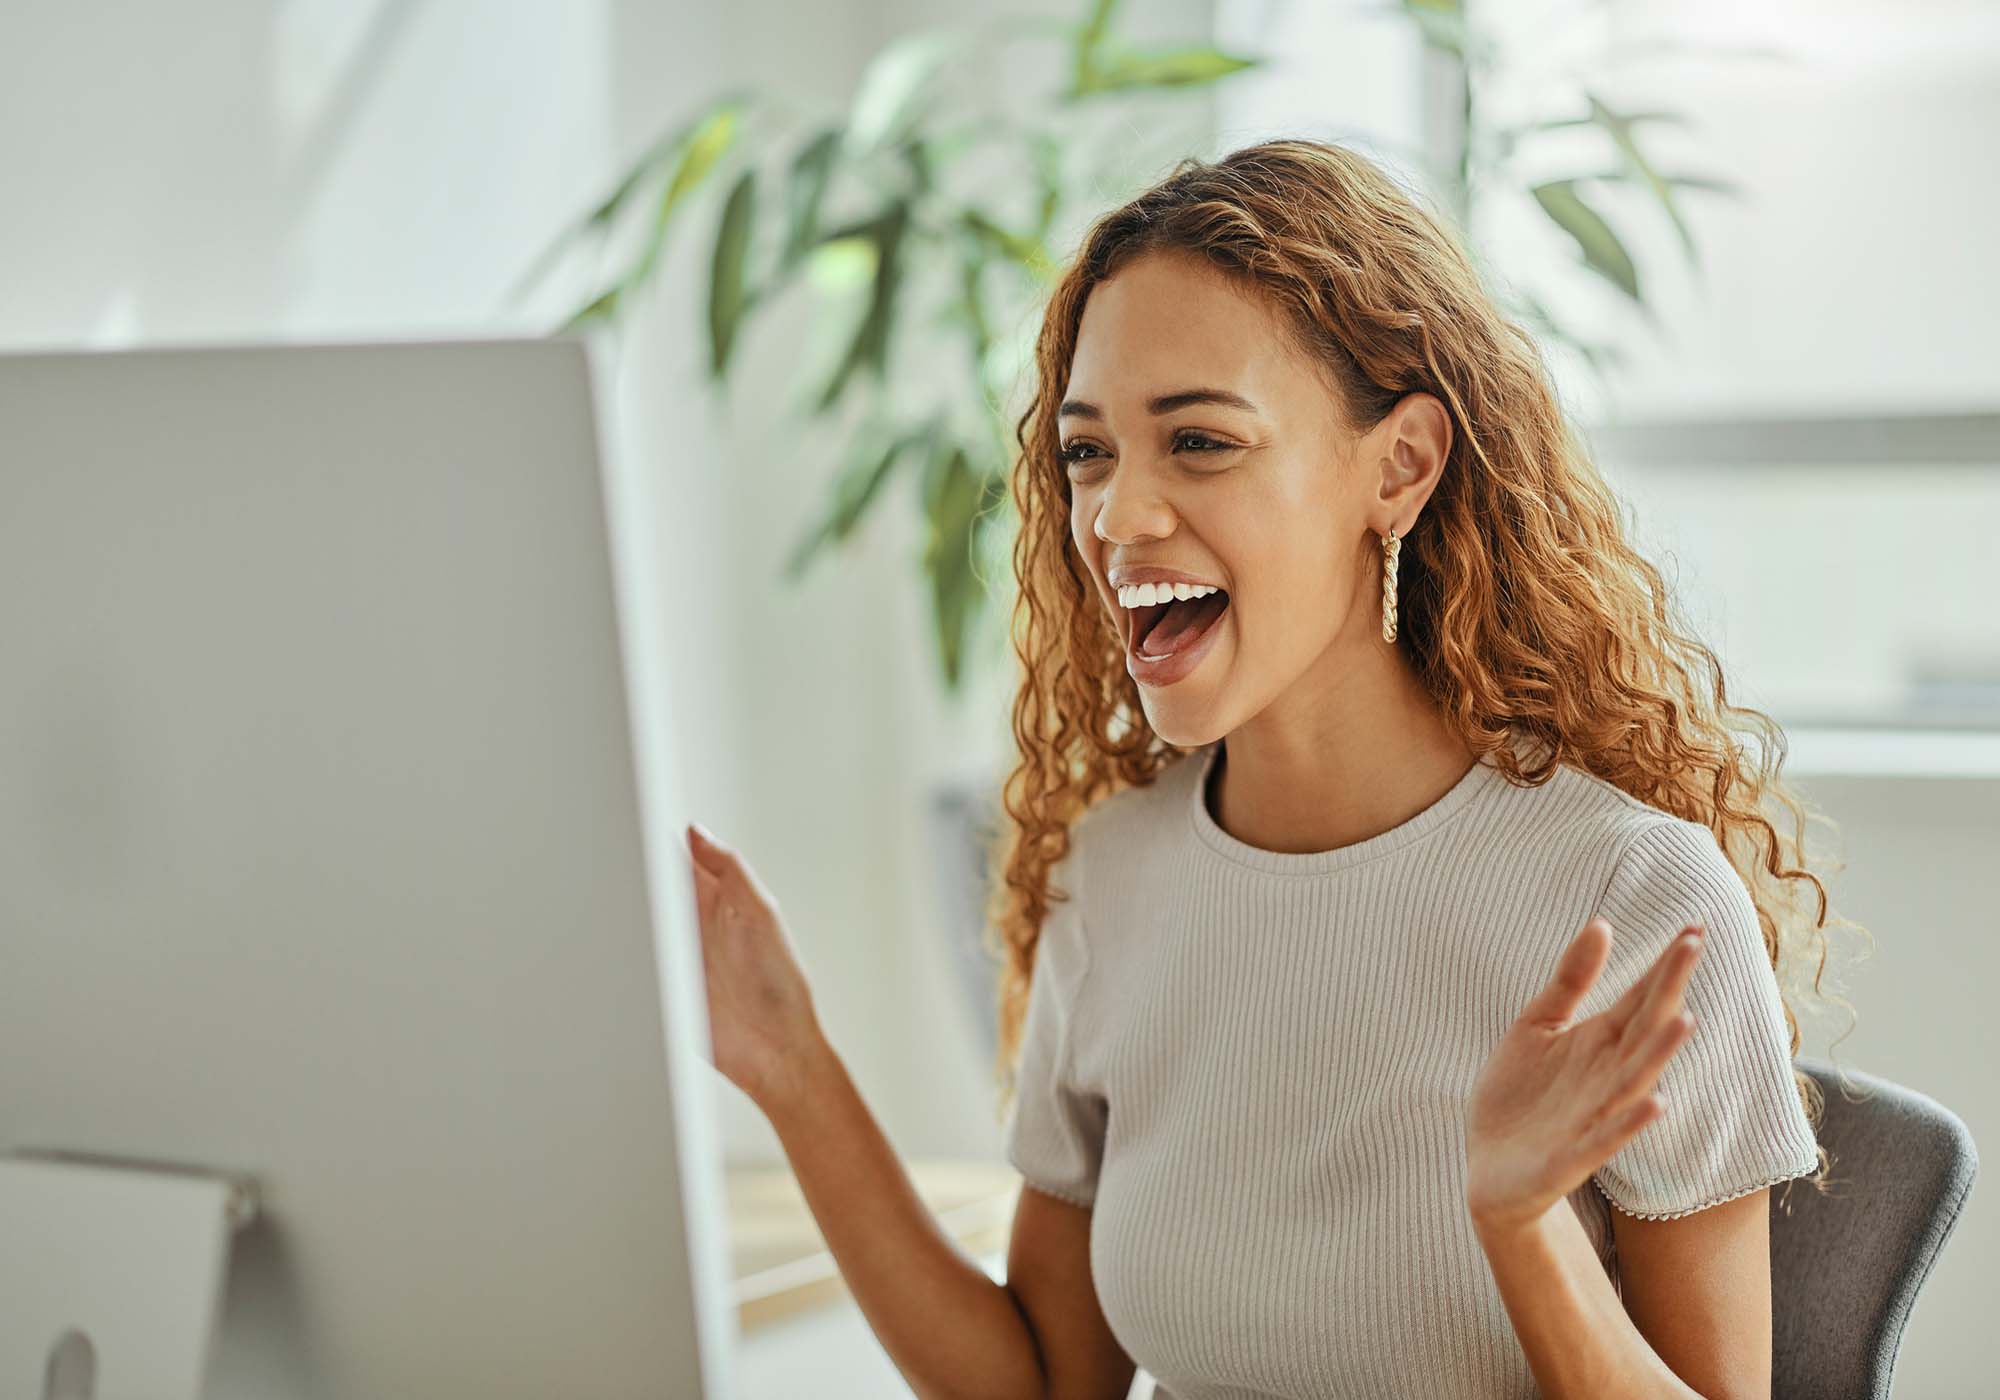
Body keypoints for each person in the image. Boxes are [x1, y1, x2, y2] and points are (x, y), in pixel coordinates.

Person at [683, 137, 1851, 1400]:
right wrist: (787, 1061)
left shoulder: (1626, 896)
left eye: (1197, 441)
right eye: (1087, 452)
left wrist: (1522, 1229)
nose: (1118, 516)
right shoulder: (1113, 877)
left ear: (1397, 467)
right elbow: (1040, 1383)